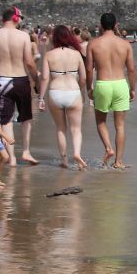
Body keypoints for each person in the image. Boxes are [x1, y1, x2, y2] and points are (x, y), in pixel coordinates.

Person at [0, 6, 40, 166]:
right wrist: (36, 79)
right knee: (26, 117)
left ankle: (12, 158)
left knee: (6, 120)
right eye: (21, 17)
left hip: (2, 80)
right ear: (16, 18)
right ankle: (26, 151)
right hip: (21, 78)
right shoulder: (23, 36)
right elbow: (29, 62)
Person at [86, 12, 136, 169]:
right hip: (121, 84)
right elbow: (132, 70)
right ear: (116, 25)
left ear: (101, 26)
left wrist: (89, 87)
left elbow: (88, 70)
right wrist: (133, 89)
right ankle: (119, 162)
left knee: (101, 121)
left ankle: (108, 148)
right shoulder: (125, 44)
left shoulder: (93, 44)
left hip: (103, 84)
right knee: (120, 125)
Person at [39, 25, 90, 170]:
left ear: (54, 38)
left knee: (60, 129)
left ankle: (64, 160)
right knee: (76, 129)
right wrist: (79, 89)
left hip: (55, 92)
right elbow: (84, 78)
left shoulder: (49, 55)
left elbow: (44, 78)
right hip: (73, 92)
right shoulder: (76, 54)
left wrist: (41, 98)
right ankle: (77, 153)